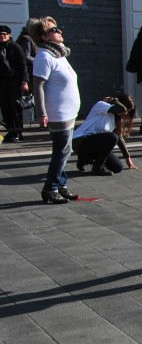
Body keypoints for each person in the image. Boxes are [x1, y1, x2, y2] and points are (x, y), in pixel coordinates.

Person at [31, 17, 81, 204]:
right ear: (44, 37)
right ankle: (50, 188)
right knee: (61, 151)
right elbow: (38, 86)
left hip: (68, 112)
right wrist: (42, 113)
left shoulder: (59, 55)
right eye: (54, 29)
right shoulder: (44, 56)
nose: (59, 31)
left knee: (65, 151)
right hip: (58, 112)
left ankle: (61, 185)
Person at [72, 94, 137, 175]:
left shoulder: (114, 119)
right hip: (80, 142)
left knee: (117, 167)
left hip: (95, 146)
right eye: (126, 110)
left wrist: (127, 157)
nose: (125, 113)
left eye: (128, 112)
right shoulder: (101, 105)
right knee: (112, 137)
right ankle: (97, 168)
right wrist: (112, 99)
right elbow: (122, 109)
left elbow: (119, 137)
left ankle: (84, 160)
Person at [0, 24, 30, 142]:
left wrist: (24, 81)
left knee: (15, 107)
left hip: (14, 82)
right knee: (5, 107)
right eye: (0, 35)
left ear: (8, 35)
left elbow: (23, 65)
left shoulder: (15, 47)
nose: (2, 36)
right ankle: (10, 130)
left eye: (4, 34)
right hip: (2, 83)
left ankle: (18, 131)